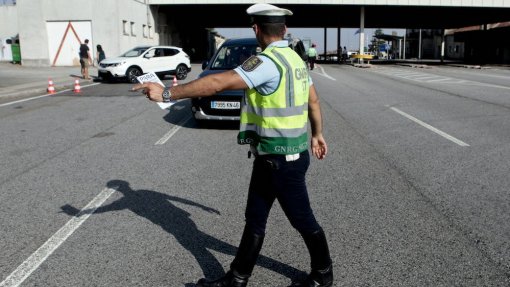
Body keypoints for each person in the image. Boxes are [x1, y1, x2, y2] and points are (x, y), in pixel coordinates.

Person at [132, 3, 333, 287]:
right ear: (284, 29)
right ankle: (237, 279)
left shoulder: (266, 62)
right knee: (254, 219)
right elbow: (313, 100)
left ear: (256, 29)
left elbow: (217, 83)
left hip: (282, 159)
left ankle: (324, 274)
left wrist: (167, 92)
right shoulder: (295, 60)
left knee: (302, 219)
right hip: (276, 155)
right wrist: (318, 133)